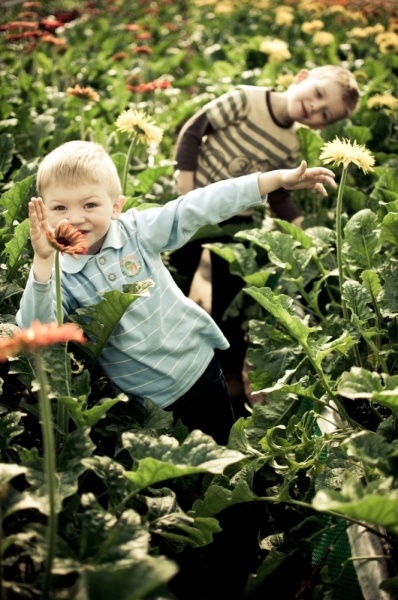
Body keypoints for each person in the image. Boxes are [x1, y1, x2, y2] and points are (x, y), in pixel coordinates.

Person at [16, 140, 337, 445]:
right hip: (148, 402)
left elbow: (197, 206)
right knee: (185, 476)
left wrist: (274, 180)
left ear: (115, 207)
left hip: (199, 367)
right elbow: (36, 331)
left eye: (90, 204)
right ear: (43, 211)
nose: (75, 217)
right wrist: (43, 263)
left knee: (225, 451)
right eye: (60, 207)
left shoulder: (136, 232)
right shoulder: (58, 272)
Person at [170, 64, 360, 404]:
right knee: (178, 280)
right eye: (317, 94)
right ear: (302, 78)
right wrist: (186, 189)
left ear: (320, 125)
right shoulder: (246, 99)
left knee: (229, 302)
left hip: (235, 220)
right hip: (191, 207)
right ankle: (173, 359)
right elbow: (193, 132)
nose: (314, 107)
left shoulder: (289, 145)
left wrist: (298, 223)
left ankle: (225, 375)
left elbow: (277, 193)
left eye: (324, 113)